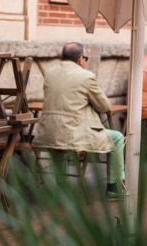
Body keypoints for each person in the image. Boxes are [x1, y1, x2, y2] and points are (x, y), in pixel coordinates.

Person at [33, 42, 125, 197]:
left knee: (60, 139)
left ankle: (62, 187)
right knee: (117, 138)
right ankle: (114, 189)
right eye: (85, 59)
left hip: (48, 134)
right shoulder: (86, 76)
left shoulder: (50, 73)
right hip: (73, 136)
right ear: (80, 59)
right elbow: (104, 106)